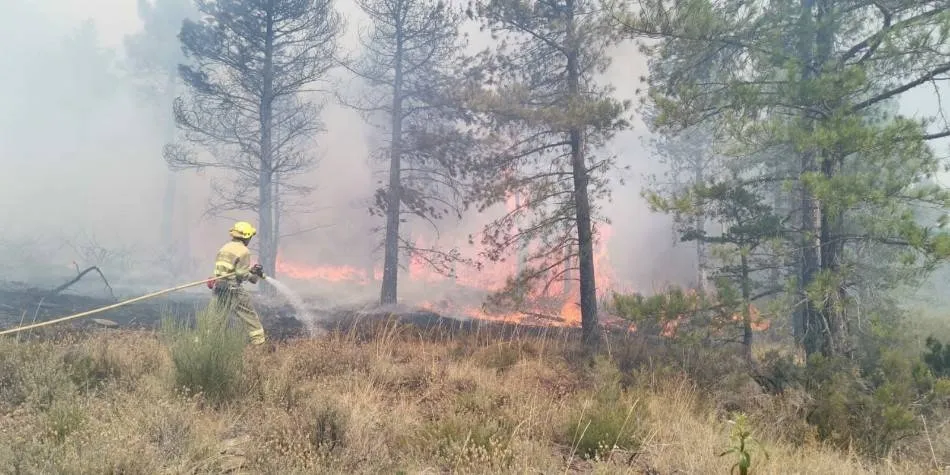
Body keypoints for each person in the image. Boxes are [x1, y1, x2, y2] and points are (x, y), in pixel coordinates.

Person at [209, 221, 267, 346]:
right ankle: (260, 347)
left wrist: (248, 270)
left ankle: (213, 347)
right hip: (233, 289)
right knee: (251, 318)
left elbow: (229, 269)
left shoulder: (224, 248)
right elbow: (242, 274)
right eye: (250, 236)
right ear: (246, 237)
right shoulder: (243, 251)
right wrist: (254, 276)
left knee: (218, 320)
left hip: (219, 288)